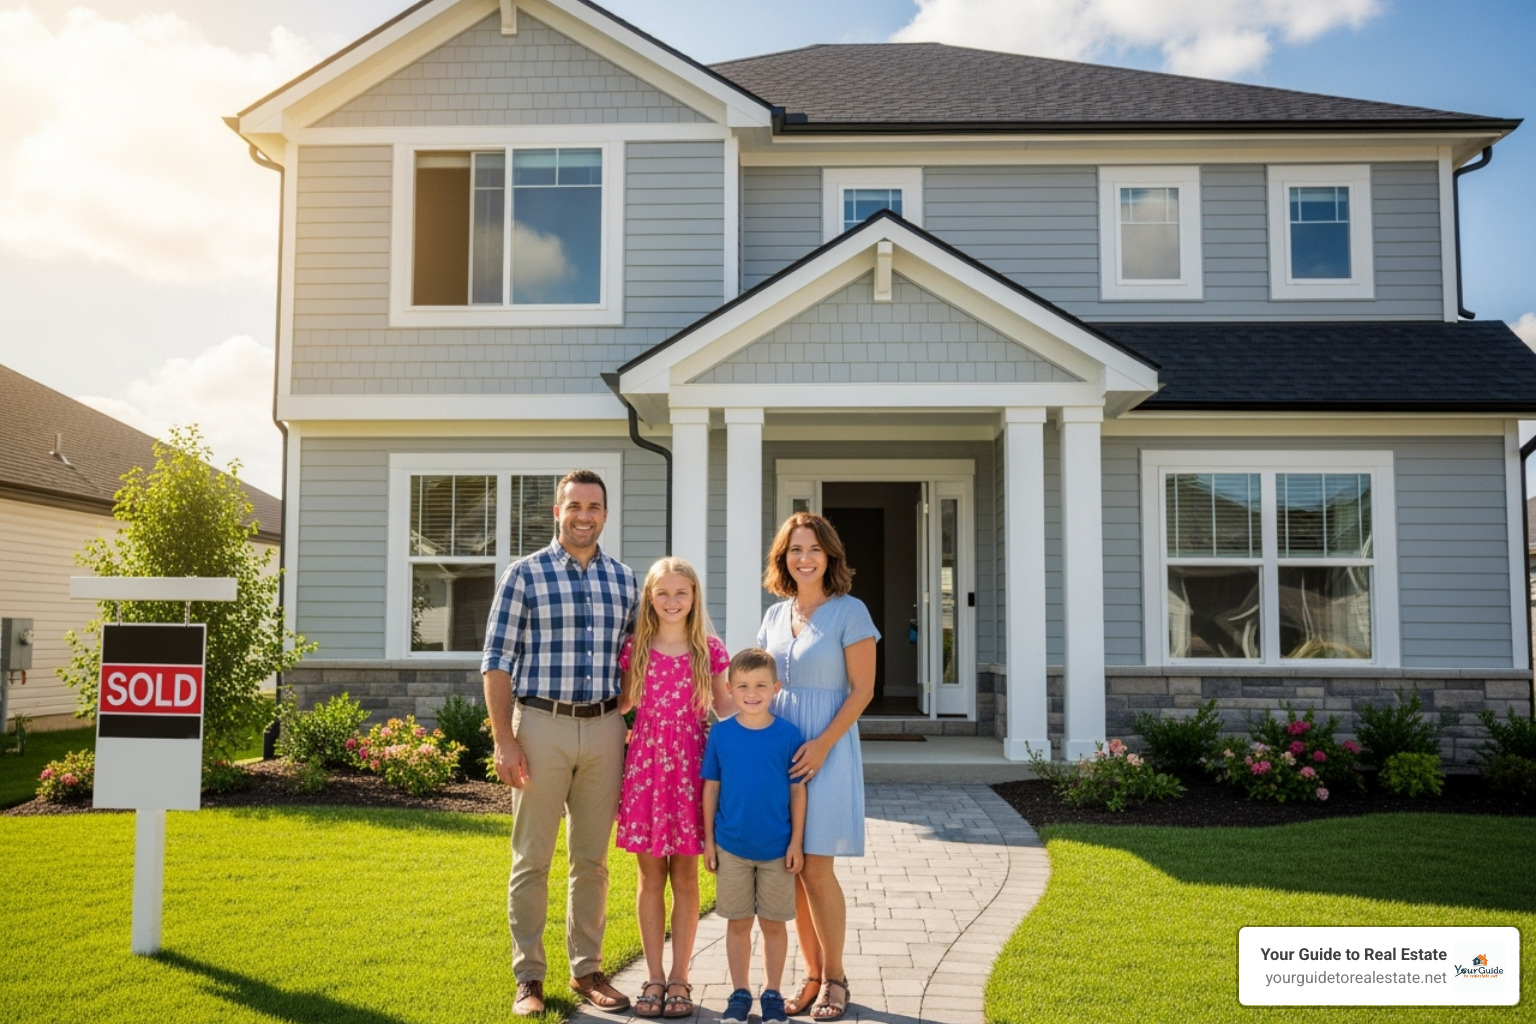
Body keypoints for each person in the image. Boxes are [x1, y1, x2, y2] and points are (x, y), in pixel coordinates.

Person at [482, 468, 639, 1017]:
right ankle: (528, 977)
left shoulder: (625, 580)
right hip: (542, 726)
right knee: (532, 859)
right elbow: (496, 662)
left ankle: (588, 969)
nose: (584, 515)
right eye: (574, 506)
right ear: (557, 511)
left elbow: (637, 659)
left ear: (605, 514)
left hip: (604, 730)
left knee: (592, 860)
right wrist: (505, 740)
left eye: (594, 507)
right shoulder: (523, 575)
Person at [756, 513, 878, 1022]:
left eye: (812, 549)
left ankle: (835, 978)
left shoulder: (850, 612)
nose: (803, 558)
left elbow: (863, 691)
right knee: (794, 866)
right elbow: (759, 686)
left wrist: (825, 744)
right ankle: (809, 976)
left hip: (825, 751)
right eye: (793, 550)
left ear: (830, 556)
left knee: (819, 868)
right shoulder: (773, 616)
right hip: (781, 752)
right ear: (782, 559)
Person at [616, 557, 732, 1018]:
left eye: (680, 593)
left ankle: (681, 978)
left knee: (685, 878)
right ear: (649, 598)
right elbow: (623, 702)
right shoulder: (634, 648)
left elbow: (727, 711)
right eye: (662, 593)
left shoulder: (710, 650)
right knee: (649, 878)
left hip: (691, 770)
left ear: (694, 597)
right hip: (645, 768)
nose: (671, 601)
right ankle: (654, 977)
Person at [701, 647, 808, 1024]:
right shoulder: (721, 735)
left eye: (761, 685)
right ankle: (740, 993)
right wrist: (709, 842)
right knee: (738, 923)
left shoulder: (788, 735)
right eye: (743, 685)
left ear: (776, 687)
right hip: (731, 847)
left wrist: (796, 842)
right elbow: (711, 789)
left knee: (774, 924)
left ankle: (773, 993)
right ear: (729, 688)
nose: (752, 692)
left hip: (777, 848)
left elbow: (797, 791)